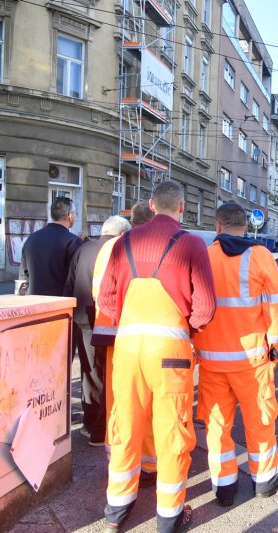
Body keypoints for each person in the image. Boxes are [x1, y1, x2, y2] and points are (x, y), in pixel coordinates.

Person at [98, 181, 216, 533]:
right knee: (172, 432)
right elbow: (206, 308)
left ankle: (116, 512)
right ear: (182, 207)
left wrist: (132, 321)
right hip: (171, 354)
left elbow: (106, 300)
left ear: (151, 205)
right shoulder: (193, 244)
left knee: (125, 425)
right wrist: (185, 329)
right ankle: (169, 516)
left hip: (129, 350)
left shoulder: (123, 243)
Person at [194, 202, 278, 509]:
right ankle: (264, 481)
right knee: (260, 421)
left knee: (217, 426)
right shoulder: (261, 257)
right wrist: (275, 348)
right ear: (246, 227)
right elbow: (275, 306)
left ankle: (224, 487)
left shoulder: (204, 257)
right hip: (252, 362)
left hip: (211, 361)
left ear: (217, 227)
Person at [92, 202, 158, 482]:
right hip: (142, 334)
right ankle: (148, 461)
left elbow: (102, 292)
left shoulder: (110, 248)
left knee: (119, 401)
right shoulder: (145, 246)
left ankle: (117, 458)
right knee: (149, 401)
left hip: (113, 332)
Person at [64, 216, 131, 447]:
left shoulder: (84, 248)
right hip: (112, 321)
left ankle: (91, 424)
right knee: (112, 374)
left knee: (90, 372)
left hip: (83, 319)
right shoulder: (122, 249)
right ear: (122, 234)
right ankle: (105, 427)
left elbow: (70, 283)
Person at [20, 197, 82, 296]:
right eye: (75, 213)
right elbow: (78, 278)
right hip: (61, 304)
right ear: (70, 216)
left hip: (33, 302)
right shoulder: (73, 241)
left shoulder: (31, 239)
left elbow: (23, 275)